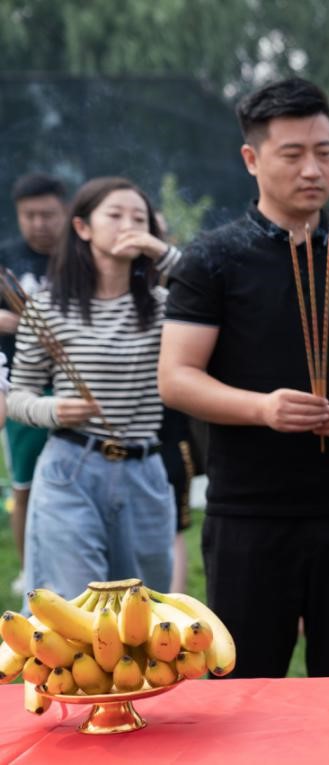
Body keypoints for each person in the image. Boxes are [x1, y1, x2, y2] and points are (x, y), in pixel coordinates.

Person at [159, 77, 329, 678]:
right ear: (252, 159)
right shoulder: (213, 259)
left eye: (324, 152)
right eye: (292, 154)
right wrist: (261, 408)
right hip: (249, 509)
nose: (312, 169)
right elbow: (176, 377)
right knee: (244, 688)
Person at [9, 177, 181, 599]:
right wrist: (54, 411)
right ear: (83, 228)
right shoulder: (47, 305)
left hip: (145, 468)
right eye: (116, 215)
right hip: (71, 465)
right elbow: (17, 395)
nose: (128, 225)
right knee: (77, 613)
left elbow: (213, 288)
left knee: (143, 615)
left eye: (139, 218)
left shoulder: (165, 306)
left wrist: (164, 252)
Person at [0, 174, 68, 596]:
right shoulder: (6, 261)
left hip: (76, 385)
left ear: (66, 212)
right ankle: (30, 576)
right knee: (24, 485)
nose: (39, 223)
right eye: (30, 215)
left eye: (47, 214)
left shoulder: (82, 257)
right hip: (23, 386)